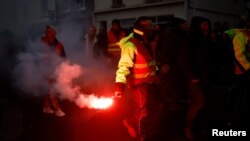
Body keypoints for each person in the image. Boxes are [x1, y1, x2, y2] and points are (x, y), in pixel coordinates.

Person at [114, 16, 162, 141]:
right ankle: (142, 137)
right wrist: (119, 85)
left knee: (150, 110)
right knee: (143, 112)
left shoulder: (146, 42)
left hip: (150, 83)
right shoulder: (131, 45)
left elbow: (149, 63)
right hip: (138, 84)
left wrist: (156, 75)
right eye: (150, 27)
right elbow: (123, 66)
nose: (154, 29)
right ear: (143, 30)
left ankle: (129, 121)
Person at [41, 26, 66, 117]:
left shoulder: (59, 45)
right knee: (52, 88)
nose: (49, 34)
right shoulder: (42, 43)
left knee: (50, 88)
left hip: (56, 70)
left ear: (55, 33)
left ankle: (46, 107)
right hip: (45, 70)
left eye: (51, 32)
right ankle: (57, 109)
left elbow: (63, 58)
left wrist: (63, 68)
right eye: (47, 32)